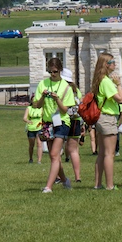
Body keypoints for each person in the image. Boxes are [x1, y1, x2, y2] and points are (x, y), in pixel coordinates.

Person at [35, 58, 74, 193]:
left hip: (62, 122)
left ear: (60, 70)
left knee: (53, 153)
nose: (52, 74)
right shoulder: (43, 84)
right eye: (50, 72)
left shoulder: (66, 87)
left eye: (55, 72)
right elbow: (37, 105)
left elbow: (65, 110)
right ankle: (64, 180)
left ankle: (48, 187)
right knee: (54, 156)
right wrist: (43, 97)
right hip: (48, 122)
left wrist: (57, 98)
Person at [92, 53, 122, 190]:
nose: (114, 64)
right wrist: (118, 84)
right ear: (106, 64)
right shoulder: (106, 81)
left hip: (101, 118)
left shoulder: (100, 80)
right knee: (109, 154)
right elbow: (120, 99)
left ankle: (98, 184)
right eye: (112, 62)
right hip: (107, 118)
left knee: (102, 153)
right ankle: (109, 185)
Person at [61, 68, 83, 182]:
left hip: (63, 119)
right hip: (76, 119)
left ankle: (58, 176)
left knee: (57, 150)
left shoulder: (62, 88)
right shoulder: (76, 90)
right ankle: (78, 176)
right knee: (74, 150)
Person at [23, 98, 43, 164]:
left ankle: (39, 160)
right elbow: (24, 118)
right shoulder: (29, 108)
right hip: (31, 128)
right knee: (31, 145)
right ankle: (31, 158)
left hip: (39, 128)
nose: (35, 102)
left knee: (39, 144)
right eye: (34, 101)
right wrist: (28, 121)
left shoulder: (41, 108)